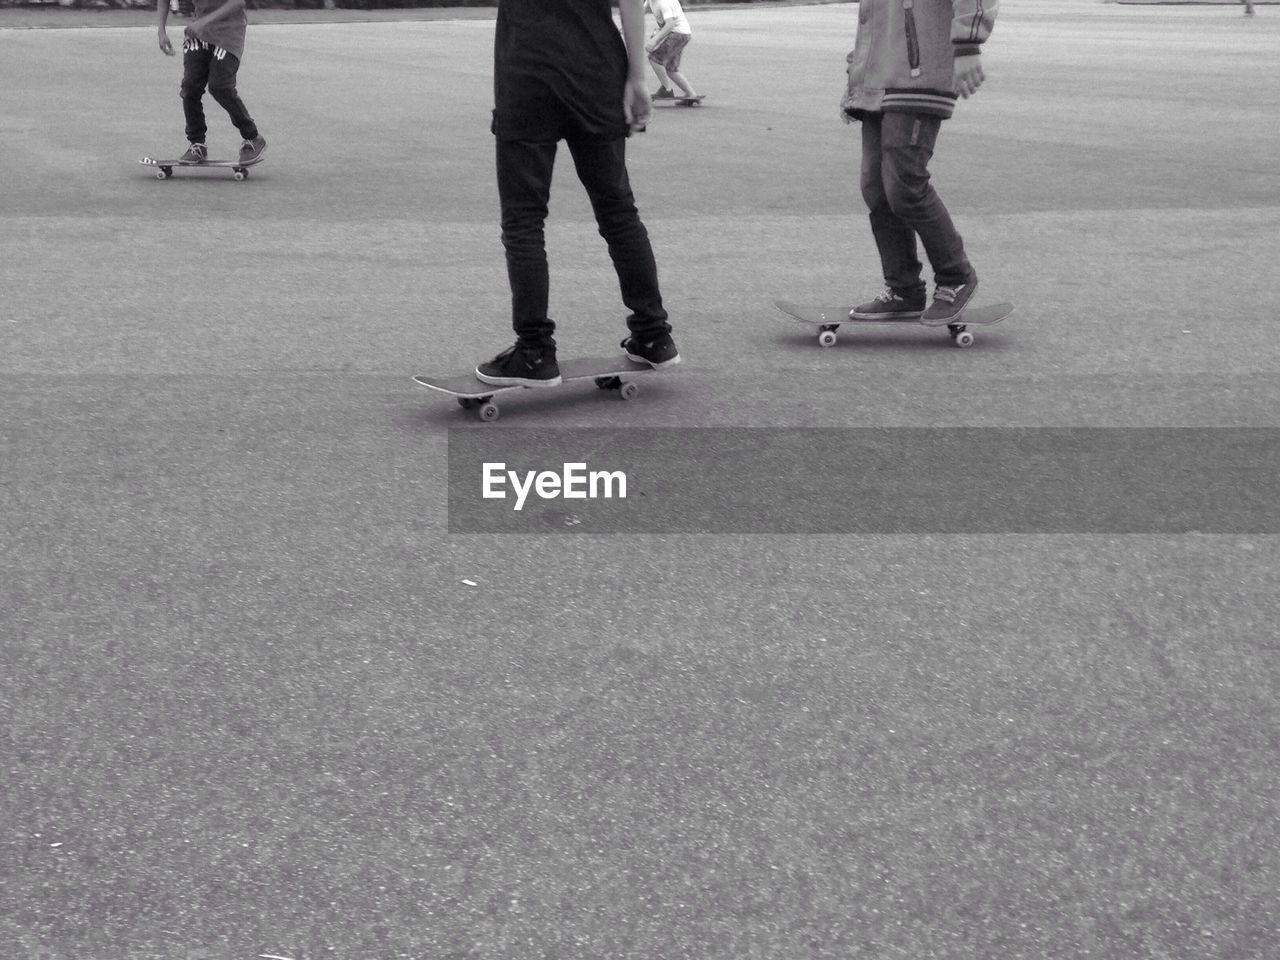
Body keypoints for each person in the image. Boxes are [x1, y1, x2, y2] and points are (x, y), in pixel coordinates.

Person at [479, 0, 679, 387]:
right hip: (597, 70)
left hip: (527, 74)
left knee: (524, 220)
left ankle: (534, 351)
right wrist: (638, 77)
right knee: (619, 211)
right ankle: (654, 334)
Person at [842, 0, 998, 326]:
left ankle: (956, 276)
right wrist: (856, 79)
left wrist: (968, 44)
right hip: (877, 78)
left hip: (920, 72)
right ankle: (904, 290)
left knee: (904, 184)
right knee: (876, 188)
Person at [156, 0, 266, 166]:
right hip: (199, 33)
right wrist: (161, 31)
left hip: (229, 33)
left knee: (220, 86)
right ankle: (197, 144)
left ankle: (252, 137)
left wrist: (203, 22)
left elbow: (238, 2)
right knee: (190, 86)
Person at [644, 0, 698, 102]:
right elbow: (640, 12)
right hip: (682, 34)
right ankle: (691, 94)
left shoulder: (665, 2)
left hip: (677, 34)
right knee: (670, 68)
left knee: (654, 59)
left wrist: (654, 41)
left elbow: (670, 24)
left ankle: (667, 90)